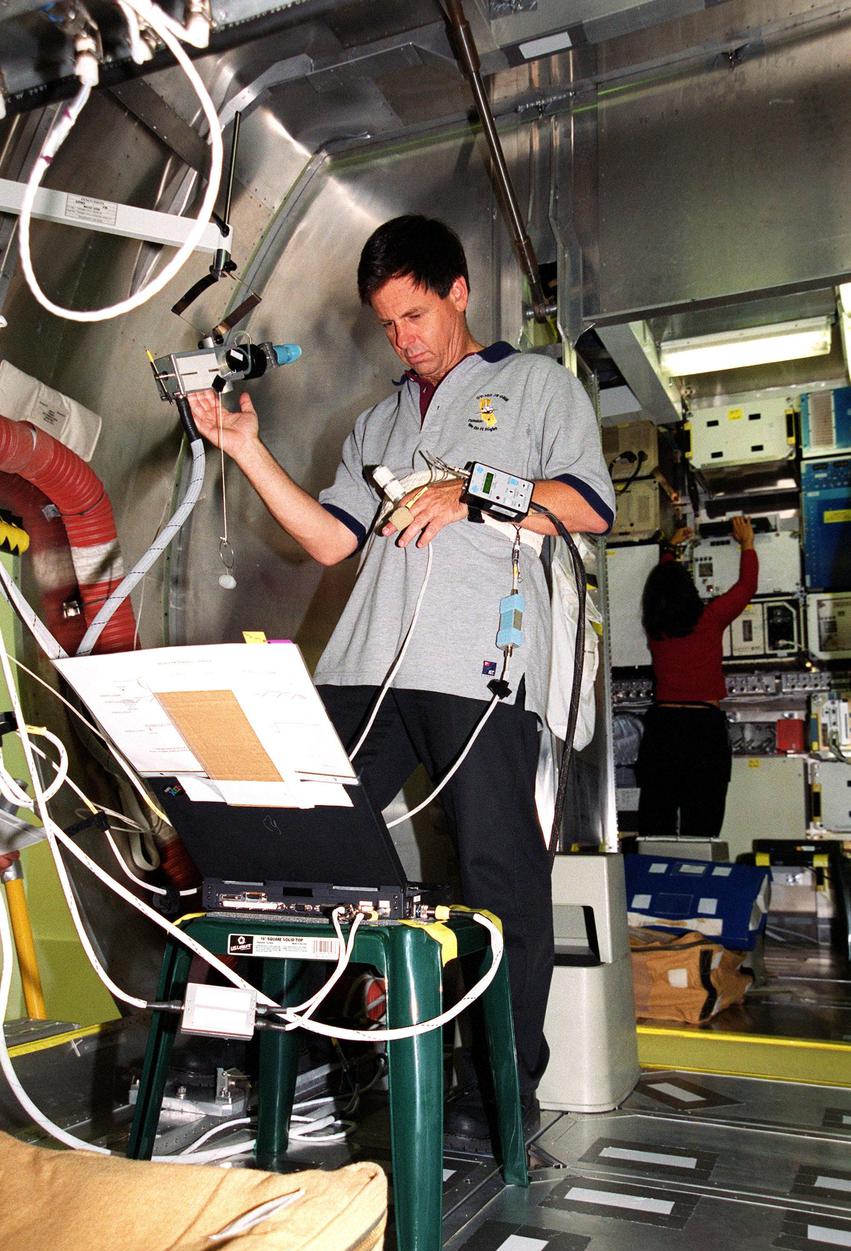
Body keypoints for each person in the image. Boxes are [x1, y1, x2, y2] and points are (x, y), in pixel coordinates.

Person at [188, 213, 615, 1150]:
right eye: (387, 324)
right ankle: (323, 1053)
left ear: (458, 292)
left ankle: (500, 1090)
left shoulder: (534, 385)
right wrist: (245, 449)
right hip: (363, 670)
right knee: (290, 847)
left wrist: (472, 491)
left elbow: (589, 505)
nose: (404, 339)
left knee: (500, 881)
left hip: (481, 672)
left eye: (415, 315)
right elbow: (331, 540)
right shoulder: (377, 422)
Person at [636, 516, 758, 838]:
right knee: (702, 829)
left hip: (662, 730)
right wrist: (747, 543)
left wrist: (669, 550)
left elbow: (664, 587)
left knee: (656, 828)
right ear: (690, 592)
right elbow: (746, 587)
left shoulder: (655, 628)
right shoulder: (710, 619)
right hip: (703, 731)